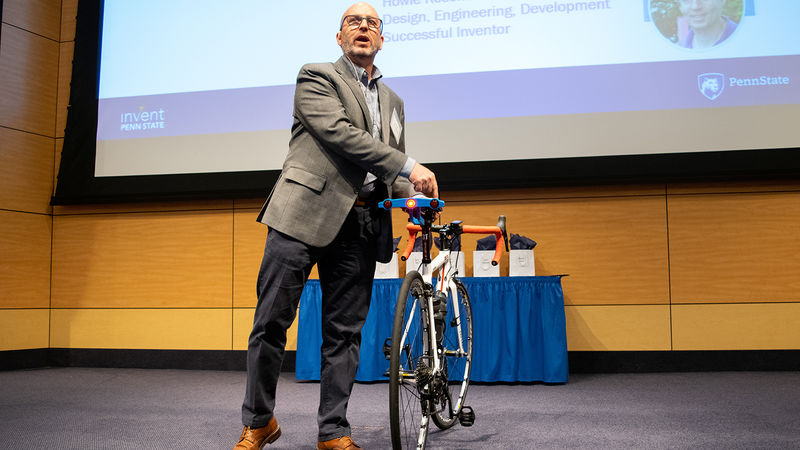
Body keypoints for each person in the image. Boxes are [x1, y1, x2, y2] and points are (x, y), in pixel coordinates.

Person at [233, 2, 438, 449]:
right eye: (354, 22)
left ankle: (332, 431)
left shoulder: (395, 103)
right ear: (340, 36)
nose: (364, 28)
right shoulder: (316, 76)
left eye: (373, 24)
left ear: (381, 39)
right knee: (271, 322)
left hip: (362, 222)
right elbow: (341, 134)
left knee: (344, 334)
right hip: (300, 215)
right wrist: (409, 163)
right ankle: (258, 421)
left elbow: (390, 172)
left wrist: (415, 201)